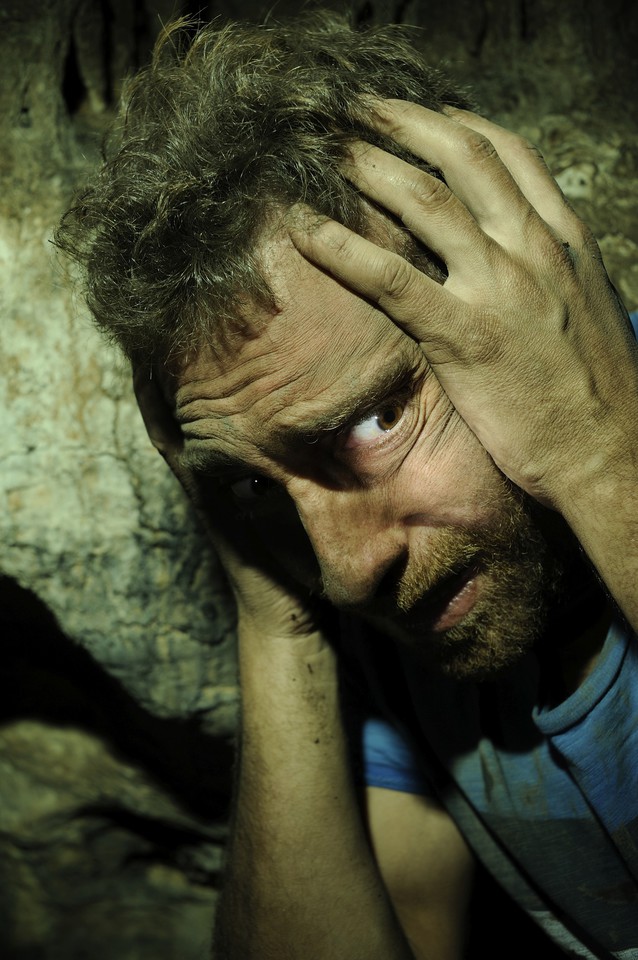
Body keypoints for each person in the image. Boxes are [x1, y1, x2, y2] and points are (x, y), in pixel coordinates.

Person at [56, 12, 638, 959]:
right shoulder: (419, 619)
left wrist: (602, 459)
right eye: (260, 486)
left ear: (526, 305)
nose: (346, 571)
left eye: (374, 423)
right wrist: (274, 620)